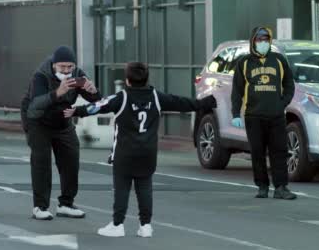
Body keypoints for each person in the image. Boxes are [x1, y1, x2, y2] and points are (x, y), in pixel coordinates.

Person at [63, 62, 216, 237]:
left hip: (125, 153)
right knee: (145, 189)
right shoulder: (157, 97)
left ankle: (117, 225)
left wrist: (75, 111)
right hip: (148, 153)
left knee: (121, 189)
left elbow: (98, 106)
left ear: (127, 80)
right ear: (146, 79)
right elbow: (182, 103)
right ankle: (145, 226)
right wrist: (205, 102)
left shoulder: (122, 97)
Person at [20, 45, 101, 220]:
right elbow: (35, 107)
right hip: (38, 121)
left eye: (69, 67)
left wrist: (93, 92)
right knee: (41, 161)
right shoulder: (40, 76)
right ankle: (40, 207)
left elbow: (96, 101)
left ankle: (66, 204)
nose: (66, 71)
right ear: (54, 65)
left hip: (63, 122)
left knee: (71, 160)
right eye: (62, 67)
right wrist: (58, 92)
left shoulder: (77, 75)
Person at [230, 27, 297, 199]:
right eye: (259, 40)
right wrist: (236, 114)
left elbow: (289, 84)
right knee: (258, 153)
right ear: (253, 41)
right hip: (254, 116)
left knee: (279, 152)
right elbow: (237, 91)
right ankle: (262, 186)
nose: (263, 43)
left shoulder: (279, 60)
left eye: (266, 39)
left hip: (276, 116)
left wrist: (282, 103)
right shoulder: (244, 63)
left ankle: (281, 187)